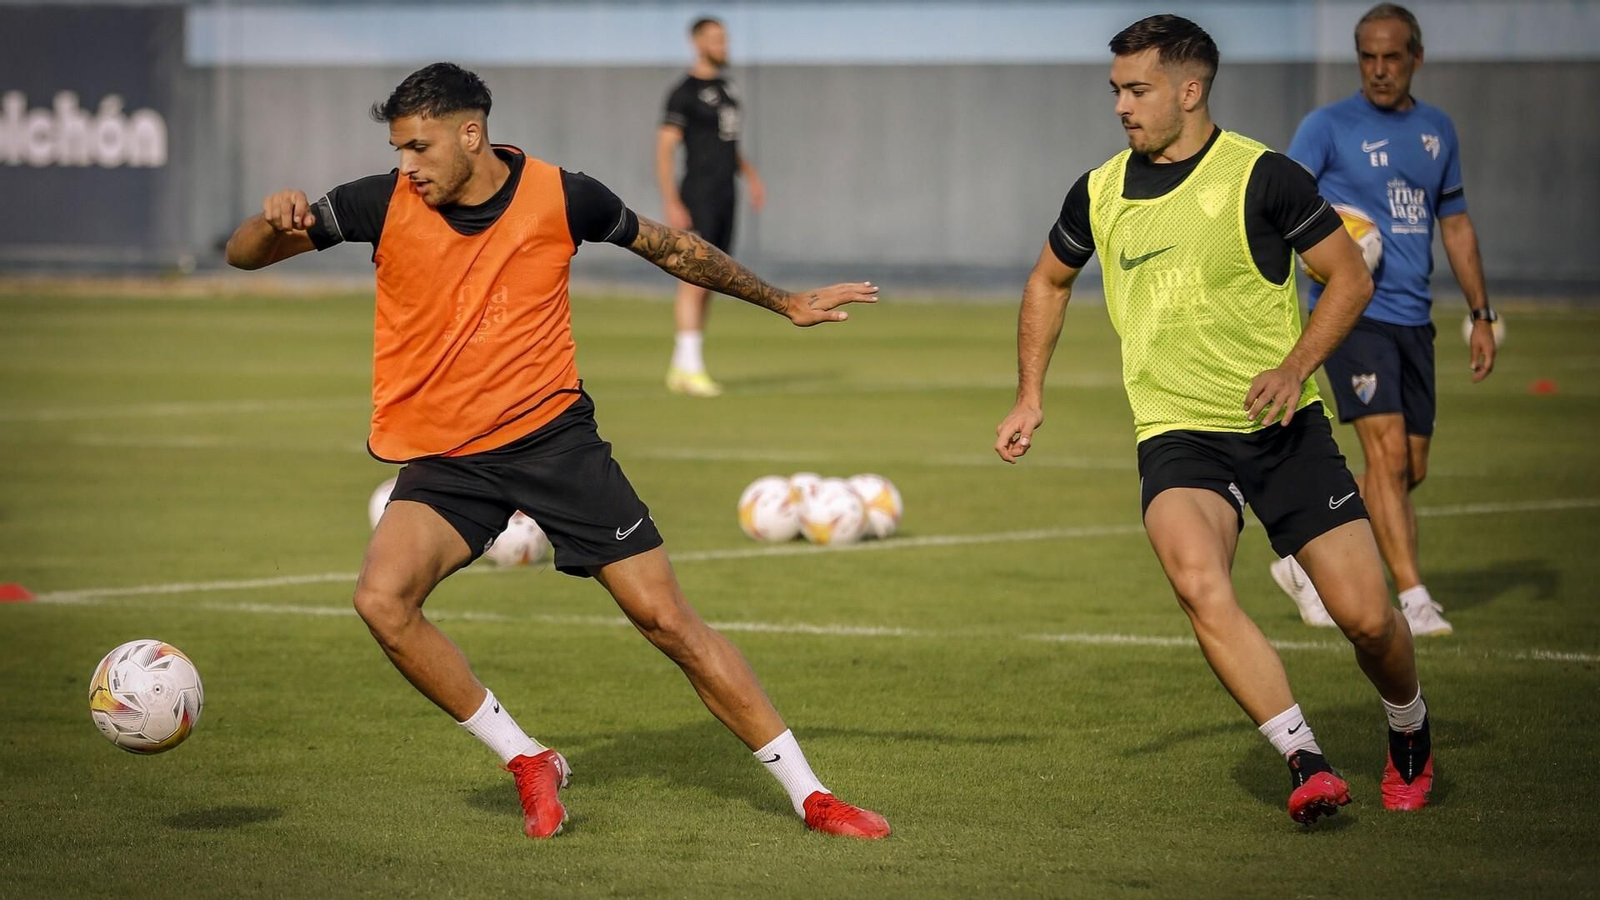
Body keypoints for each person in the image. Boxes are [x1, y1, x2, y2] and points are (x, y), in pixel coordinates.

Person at [223, 63, 887, 840]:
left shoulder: (563, 194)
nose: (407, 164)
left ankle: (812, 795)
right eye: (399, 148)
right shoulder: (379, 201)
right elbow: (242, 255)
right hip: (449, 454)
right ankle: (528, 758)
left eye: (420, 146)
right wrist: (271, 222)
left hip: (551, 441)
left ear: (471, 134)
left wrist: (783, 302)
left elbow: (674, 248)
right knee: (382, 601)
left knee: (666, 620)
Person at [994, 15, 1435, 822]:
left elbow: (1347, 280)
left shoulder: (1262, 177)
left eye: (1138, 89)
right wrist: (1031, 393)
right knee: (1199, 583)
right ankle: (1305, 759)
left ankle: (1409, 724)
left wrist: (1294, 366)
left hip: (1283, 427)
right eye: (1117, 91)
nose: (1122, 106)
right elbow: (1047, 281)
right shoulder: (1098, 190)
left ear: (1189, 90)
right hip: (1177, 435)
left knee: (1370, 620)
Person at [1270, 3, 1496, 637]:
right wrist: (1327, 244)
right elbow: (1278, 204)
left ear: (1415, 58)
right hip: (1352, 315)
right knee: (1387, 452)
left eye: (1391, 56)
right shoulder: (1326, 127)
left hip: (1413, 319)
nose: (1378, 69)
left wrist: (1480, 313)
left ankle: (1302, 561)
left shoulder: (1438, 130)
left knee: (1406, 469)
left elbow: (1455, 224)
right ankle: (1415, 597)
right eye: (1367, 56)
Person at [657, 16, 766, 397]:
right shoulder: (683, 93)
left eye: (725, 38)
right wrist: (672, 199)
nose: (723, 44)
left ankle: (685, 365)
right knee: (695, 275)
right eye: (715, 39)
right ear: (697, 42)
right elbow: (665, 147)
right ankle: (689, 366)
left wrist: (749, 175)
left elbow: (727, 143)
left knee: (713, 278)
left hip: (725, 193)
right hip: (698, 192)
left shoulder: (728, 88)